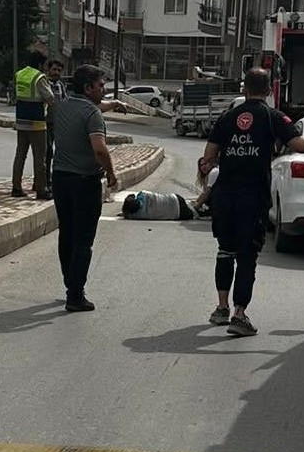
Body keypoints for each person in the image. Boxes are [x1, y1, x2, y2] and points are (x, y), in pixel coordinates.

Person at [201, 67, 304, 336]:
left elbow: (209, 156)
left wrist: (227, 160)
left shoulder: (227, 118)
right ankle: (240, 315)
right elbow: (299, 145)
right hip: (252, 197)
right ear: (269, 90)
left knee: (225, 251)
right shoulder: (272, 117)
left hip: (225, 196)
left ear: (244, 88)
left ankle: (221, 308)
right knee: (247, 255)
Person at [51, 65, 118, 312]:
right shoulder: (92, 114)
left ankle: (70, 282)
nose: (104, 89)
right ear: (88, 88)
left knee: (66, 232)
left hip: (60, 178)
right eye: (101, 85)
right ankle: (75, 295)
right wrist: (111, 172)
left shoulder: (61, 107)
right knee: (83, 239)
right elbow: (99, 149)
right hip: (84, 181)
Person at [11, 49, 54, 199]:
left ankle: (16, 187)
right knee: (39, 157)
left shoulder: (19, 74)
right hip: (36, 122)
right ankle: (41, 190)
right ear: (40, 64)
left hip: (21, 120)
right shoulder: (39, 77)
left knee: (20, 155)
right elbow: (50, 98)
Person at [45, 59, 69, 193]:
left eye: (59, 70)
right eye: (54, 69)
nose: (56, 72)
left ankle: (55, 180)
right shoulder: (44, 83)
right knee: (47, 152)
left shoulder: (60, 85)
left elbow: (65, 102)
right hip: (45, 123)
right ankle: (45, 181)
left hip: (58, 124)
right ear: (48, 70)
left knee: (58, 153)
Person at [121, 191, 195, 221]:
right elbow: (135, 197)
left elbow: (127, 214)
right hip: (175, 199)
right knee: (192, 206)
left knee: (193, 213)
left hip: (178, 214)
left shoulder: (135, 216)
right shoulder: (142, 194)